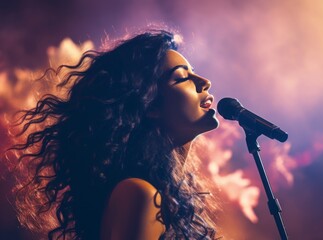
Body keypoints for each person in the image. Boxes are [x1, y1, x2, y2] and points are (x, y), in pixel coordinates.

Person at [9, 29, 220, 240]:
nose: (204, 82)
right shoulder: (139, 194)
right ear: (149, 104)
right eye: (181, 77)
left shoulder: (159, 195)